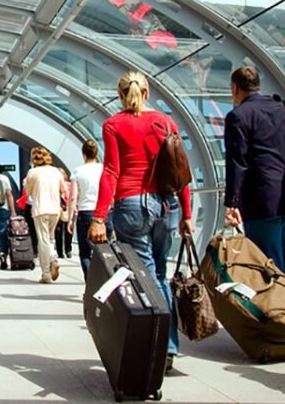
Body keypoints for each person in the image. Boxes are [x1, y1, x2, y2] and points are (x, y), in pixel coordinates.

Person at [89, 71, 193, 371]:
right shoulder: (166, 122)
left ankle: (157, 347)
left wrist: (99, 217)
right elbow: (180, 170)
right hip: (167, 205)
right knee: (159, 274)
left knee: (145, 277)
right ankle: (168, 347)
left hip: (132, 205)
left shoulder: (114, 125)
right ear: (147, 93)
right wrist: (187, 214)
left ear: (120, 95)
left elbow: (111, 172)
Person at [223, 65, 285, 275]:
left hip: (262, 199)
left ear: (235, 89)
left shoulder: (238, 116)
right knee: (284, 250)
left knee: (266, 259)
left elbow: (237, 162)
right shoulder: (283, 107)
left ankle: (281, 297)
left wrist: (232, 202)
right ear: (258, 86)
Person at [24, 148, 68, 284]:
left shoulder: (33, 172)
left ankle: (46, 273)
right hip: (55, 209)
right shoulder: (55, 171)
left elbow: (28, 191)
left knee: (43, 242)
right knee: (51, 238)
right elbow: (64, 189)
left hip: (40, 210)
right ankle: (52, 258)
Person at [68, 139, 103, 276]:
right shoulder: (103, 169)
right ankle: (104, 282)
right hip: (103, 213)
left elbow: (73, 197)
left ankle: (90, 283)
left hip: (85, 212)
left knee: (85, 253)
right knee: (104, 251)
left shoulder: (78, 171)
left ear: (83, 154)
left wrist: (70, 219)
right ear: (96, 153)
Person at [53, 167, 74, 261]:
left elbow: (72, 196)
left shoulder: (69, 185)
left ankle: (68, 249)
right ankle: (59, 251)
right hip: (57, 209)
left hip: (67, 209)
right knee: (58, 231)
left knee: (68, 230)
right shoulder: (54, 186)